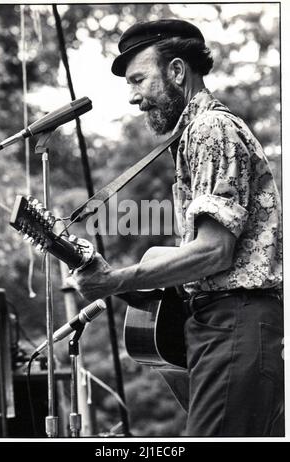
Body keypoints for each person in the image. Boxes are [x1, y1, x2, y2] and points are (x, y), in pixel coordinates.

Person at [71, 19, 284, 437]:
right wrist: (135, 280)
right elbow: (216, 256)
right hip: (220, 325)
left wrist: (114, 280)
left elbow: (214, 252)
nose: (133, 97)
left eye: (139, 80)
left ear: (176, 72)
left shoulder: (210, 128)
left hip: (235, 322)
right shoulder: (194, 135)